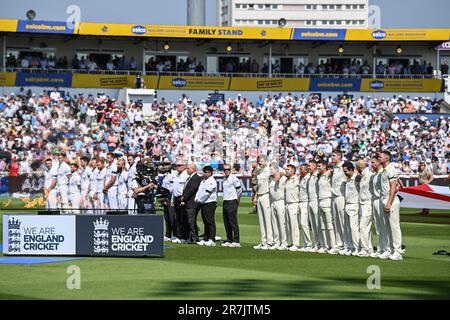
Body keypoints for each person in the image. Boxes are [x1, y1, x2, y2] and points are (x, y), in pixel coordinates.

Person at [379, 150, 403, 261]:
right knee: (386, 227)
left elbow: (393, 187)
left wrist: (389, 202)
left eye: (380, 157)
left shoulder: (391, 169)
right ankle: (389, 250)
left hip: (391, 200)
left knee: (394, 227)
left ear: (386, 158)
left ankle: (397, 252)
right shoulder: (384, 170)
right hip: (384, 199)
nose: (379, 158)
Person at [253, 155, 274, 250]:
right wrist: (256, 196)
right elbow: (258, 185)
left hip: (266, 195)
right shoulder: (259, 171)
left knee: (267, 219)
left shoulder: (269, 170)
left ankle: (270, 241)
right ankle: (263, 241)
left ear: (266, 161)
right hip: (260, 195)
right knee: (261, 219)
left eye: (261, 161)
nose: (259, 162)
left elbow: (280, 172)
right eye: (258, 161)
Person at [317, 160, 338, 254]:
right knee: (322, 225)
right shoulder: (321, 176)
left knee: (330, 225)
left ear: (325, 166)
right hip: (320, 201)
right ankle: (326, 246)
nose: (318, 168)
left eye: (319, 166)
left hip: (327, 200)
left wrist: (331, 172)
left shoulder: (330, 175)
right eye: (317, 166)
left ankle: (334, 246)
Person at [194, 166, 218, 246]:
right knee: (205, 221)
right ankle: (206, 238)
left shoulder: (212, 181)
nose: (205, 173)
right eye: (204, 172)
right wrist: (197, 198)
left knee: (210, 221)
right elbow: (199, 191)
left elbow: (207, 193)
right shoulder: (203, 180)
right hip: (203, 203)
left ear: (211, 172)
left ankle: (212, 239)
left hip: (210, 203)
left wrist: (200, 200)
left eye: (206, 172)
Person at [221, 163, 243, 248]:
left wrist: (236, 200)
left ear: (231, 170)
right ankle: (229, 239)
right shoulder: (224, 179)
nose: (226, 171)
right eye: (225, 170)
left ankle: (236, 241)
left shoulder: (234, 178)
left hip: (232, 202)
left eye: (228, 169)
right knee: (226, 222)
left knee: (233, 222)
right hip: (225, 201)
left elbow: (239, 190)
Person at [330, 150, 348, 254]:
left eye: (334, 156)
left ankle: (345, 244)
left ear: (339, 157)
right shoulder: (335, 168)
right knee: (336, 222)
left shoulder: (343, 166)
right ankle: (339, 244)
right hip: (334, 197)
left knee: (342, 221)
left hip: (341, 196)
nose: (332, 157)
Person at [356, 159, 375, 257]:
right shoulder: (363, 175)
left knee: (363, 226)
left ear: (359, 167)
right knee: (366, 228)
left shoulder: (369, 175)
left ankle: (365, 249)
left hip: (368, 204)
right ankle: (369, 249)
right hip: (362, 203)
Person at [342, 161, 361, 256]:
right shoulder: (347, 180)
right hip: (347, 205)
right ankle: (350, 247)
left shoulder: (357, 178)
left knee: (354, 228)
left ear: (351, 170)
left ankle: (357, 247)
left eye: (346, 171)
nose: (344, 173)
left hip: (354, 205)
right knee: (348, 228)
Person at [370, 155, 387, 258]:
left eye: (373, 162)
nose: (371, 165)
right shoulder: (375, 174)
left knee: (384, 226)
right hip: (375, 200)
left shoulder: (383, 173)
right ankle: (381, 248)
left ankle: (386, 248)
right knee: (379, 226)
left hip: (382, 199)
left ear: (378, 163)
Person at [181, 163, 202, 243]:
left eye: (188, 168)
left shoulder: (196, 177)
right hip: (189, 202)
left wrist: (184, 198)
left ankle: (194, 238)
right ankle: (191, 237)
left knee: (191, 221)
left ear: (192, 169)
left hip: (192, 202)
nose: (186, 170)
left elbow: (192, 189)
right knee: (190, 221)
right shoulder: (190, 177)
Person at [307, 160, 324, 252]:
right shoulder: (310, 176)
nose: (308, 168)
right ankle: (317, 243)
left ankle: (322, 243)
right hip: (310, 201)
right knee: (313, 225)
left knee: (318, 224)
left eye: (310, 166)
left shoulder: (318, 175)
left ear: (314, 166)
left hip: (316, 201)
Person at [269, 170, 288, 250]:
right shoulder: (271, 180)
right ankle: (277, 242)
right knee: (274, 224)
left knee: (281, 223)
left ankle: (284, 242)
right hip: (273, 202)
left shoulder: (283, 178)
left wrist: (280, 174)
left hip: (280, 201)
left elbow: (286, 174)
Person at [171, 160, 189, 243]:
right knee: (177, 218)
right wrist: (172, 199)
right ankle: (179, 235)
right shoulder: (177, 175)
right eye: (177, 165)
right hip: (176, 198)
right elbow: (174, 188)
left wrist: (184, 199)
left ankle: (185, 236)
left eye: (180, 165)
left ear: (184, 166)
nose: (178, 167)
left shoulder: (186, 175)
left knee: (183, 218)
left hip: (182, 198)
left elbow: (186, 189)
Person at [284, 164, 301, 252]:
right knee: (289, 225)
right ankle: (292, 242)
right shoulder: (287, 180)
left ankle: (296, 244)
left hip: (294, 204)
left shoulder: (297, 179)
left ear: (293, 171)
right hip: (287, 204)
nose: (286, 171)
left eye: (288, 169)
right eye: (286, 169)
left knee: (294, 225)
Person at [298, 164, 313, 252]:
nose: (299, 170)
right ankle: (306, 243)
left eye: (301, 169)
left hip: (306, 202)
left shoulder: (308, 178)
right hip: (301, 202)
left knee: (305, 224)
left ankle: (309, 244)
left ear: (306, 170)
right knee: (302, 224)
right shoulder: (300, 178)